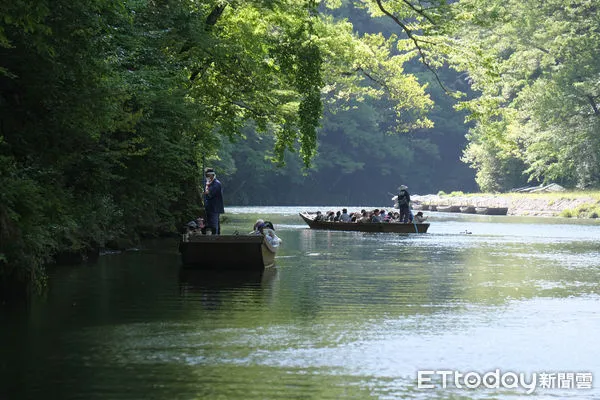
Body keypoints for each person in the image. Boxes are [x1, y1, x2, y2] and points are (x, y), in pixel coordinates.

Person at [203, 167, 224, 235]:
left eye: (207, 175)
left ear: (212, 175)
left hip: (215, 208)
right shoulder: (210, 183)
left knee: (214, 225)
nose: (207, 177)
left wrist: (206, 186)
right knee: (210, 224)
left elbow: (208, 193)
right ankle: (214, 237)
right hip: (209, 207)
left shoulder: (216, 183)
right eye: (206, 176)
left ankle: (215, 239)